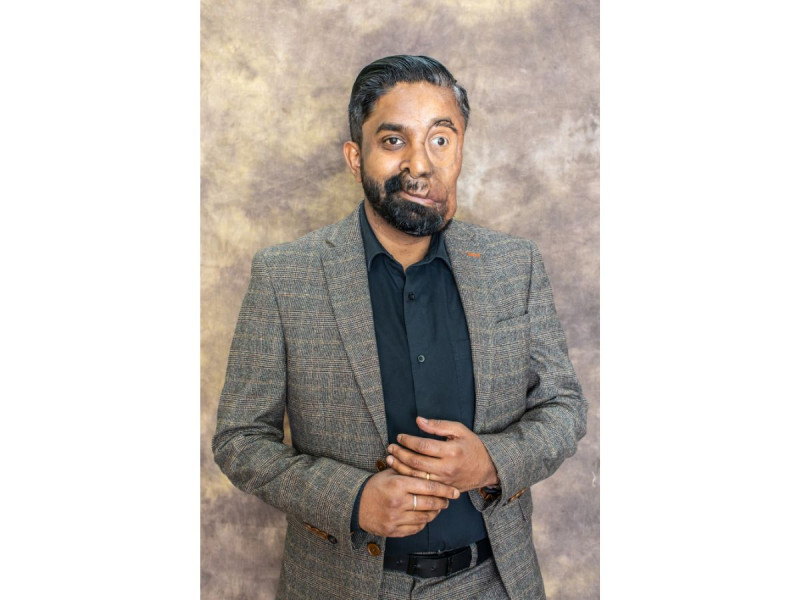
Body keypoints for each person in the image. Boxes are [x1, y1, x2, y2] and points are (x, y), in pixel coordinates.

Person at [213, 55, 587, 600]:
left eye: (440, 139)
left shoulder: (515, 265)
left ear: (460, 148)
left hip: (493, 583)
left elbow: (564, 407)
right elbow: (240, 440)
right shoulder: (284, 277)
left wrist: (491, 462)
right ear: (355, 157)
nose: (420, 163)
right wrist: (353, 499)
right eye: (394, 141)